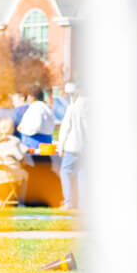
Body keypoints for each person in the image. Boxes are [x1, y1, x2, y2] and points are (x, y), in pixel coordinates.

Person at [58, 82, 85, 210]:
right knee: (83, 173)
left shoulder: (73, 106)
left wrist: (60, 146)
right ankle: (84, 203)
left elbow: (65, 128)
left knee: (66, 172)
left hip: (74, 146)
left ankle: (69, 202)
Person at [0, 117, 29, 205]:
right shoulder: (14, 141)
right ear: (12, 128)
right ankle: (21, 202)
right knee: (25, 174)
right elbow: (20, 157)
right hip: (8, 173)